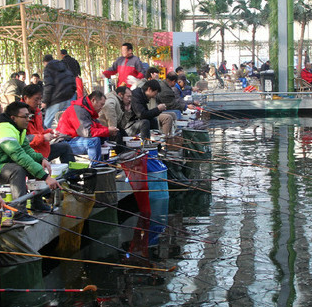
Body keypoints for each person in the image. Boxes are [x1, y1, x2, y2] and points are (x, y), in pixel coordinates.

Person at [0, 102, 61, 225]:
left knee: (32, 163)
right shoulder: (5, 130)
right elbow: (19, 156)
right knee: (18, 169)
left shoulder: (18, 128)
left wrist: (41, 159)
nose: (29, 119)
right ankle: (19, 213)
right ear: (13, 118)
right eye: (25, 117)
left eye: (30, 116)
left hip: (5, 165)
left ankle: (37, 203)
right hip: (4, 167)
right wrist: (46, 177)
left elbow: (27, 150)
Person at [56, 91, 119, 166]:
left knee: (104, 137)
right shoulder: (79, 110)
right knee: (93, 141)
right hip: (66, 141)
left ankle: (105, 161)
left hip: (76, 138)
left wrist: (108, 130)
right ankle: (96, 166)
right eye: (101, 104)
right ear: (93, 100)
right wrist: (107, 130)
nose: (101, 108)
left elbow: (97, 125)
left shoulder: (87, 109)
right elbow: (87, 132)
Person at [22, 84, 75, 163]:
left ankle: (72, 174)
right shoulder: (19, 115)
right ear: (26, 98)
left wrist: (51, 132)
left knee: (65, 147)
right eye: (36, 99)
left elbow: (43, 129)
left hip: (43, 150)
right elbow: (23, 139)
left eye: (40, 99)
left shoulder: (38, 112)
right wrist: (43, 138)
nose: (39, 103)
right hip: (30, 154)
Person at [137, 67, 176, 136]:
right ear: (151, 75)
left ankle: (171, 136)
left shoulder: (155, 86)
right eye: (156, 75)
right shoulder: (142, 85)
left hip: (154, 109)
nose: (157, 78)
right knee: (167, 118)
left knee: (173, 114)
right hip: (149, 110)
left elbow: (158, 96)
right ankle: (164, 138)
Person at [42, 54, 76, 128]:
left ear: (45, 62)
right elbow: (73, 79)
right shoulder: (64, 66)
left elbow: (49, 86)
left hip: (57, 98)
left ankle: (43, 137)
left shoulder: (48, 69)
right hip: (69, 97)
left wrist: (45, 101)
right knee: (68, 122)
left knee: (47, 122)